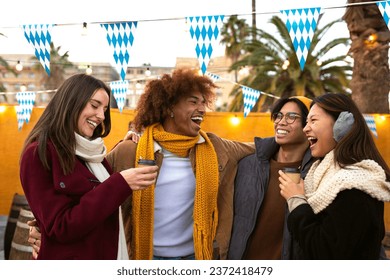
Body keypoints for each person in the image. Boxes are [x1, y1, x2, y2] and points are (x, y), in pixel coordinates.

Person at [106, 68, 254, 260]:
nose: (202, 109)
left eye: (203, 103)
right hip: (143, 258)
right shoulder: (130, 150)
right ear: (169, 108)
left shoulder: (214, 146)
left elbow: (258, 147)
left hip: (195, 258)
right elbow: (92, 182)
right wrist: (120, 147)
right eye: (193, 102)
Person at [20, 73, 158, 260]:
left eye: (105, 109)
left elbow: (88, 184)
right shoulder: (38, 153)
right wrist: (120, 183)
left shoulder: (91, 155)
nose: (101, 115)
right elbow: (60, 226)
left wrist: (122, 148)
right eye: (94, 105)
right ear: (71, 103)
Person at [278, 93, 390, 259]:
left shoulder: (355, 184)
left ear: (342, 126)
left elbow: (325, 251)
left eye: (313, 120)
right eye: (306, 121)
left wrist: (296, 200)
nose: (305, 128)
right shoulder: (322, 175)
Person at [228, 97, 317, 260]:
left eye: (291, 117)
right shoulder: (248, 165)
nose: (281, 122)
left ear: (308, 125)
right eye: (278, 115)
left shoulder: (318, 171)